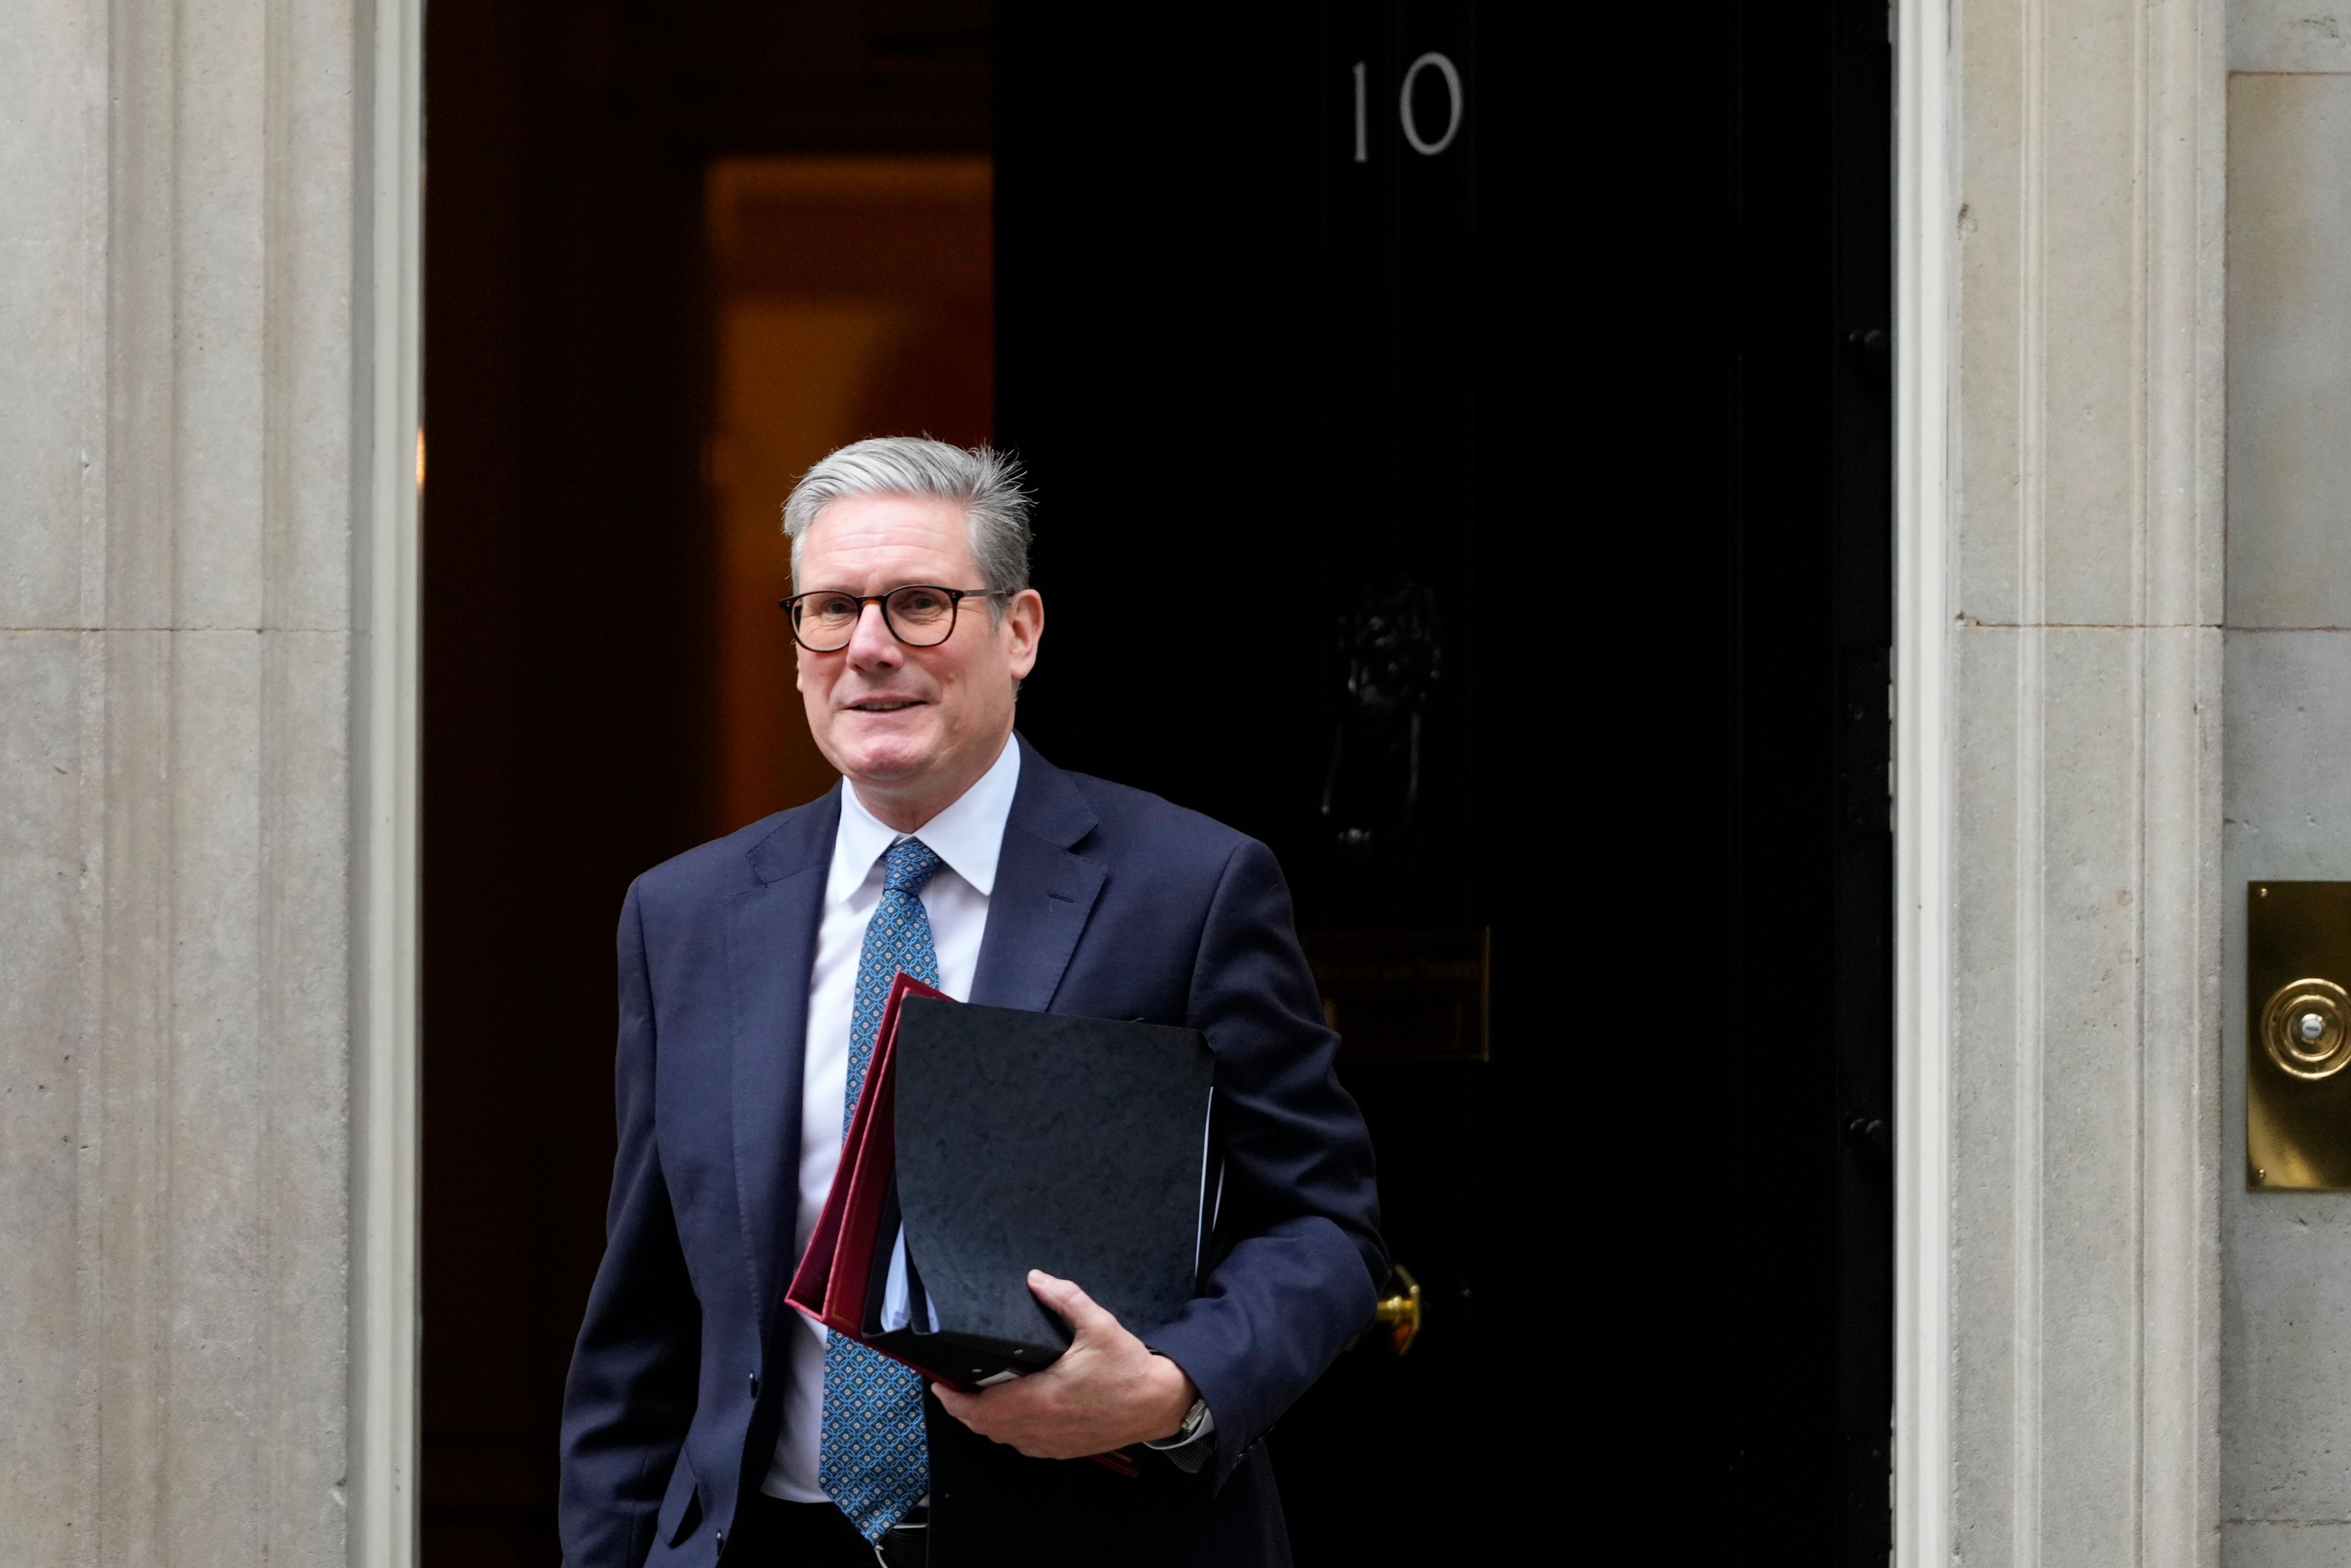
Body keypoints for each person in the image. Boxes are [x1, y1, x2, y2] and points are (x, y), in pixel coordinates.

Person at [557, 437, 1385, 1567]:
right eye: (832, 608)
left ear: (1022, 630)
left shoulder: (1189, 889)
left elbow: (1325, 1226)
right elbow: (645, 1311)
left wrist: (1172, 1387)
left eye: (919, 604)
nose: (870, 648)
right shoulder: (688, 915)